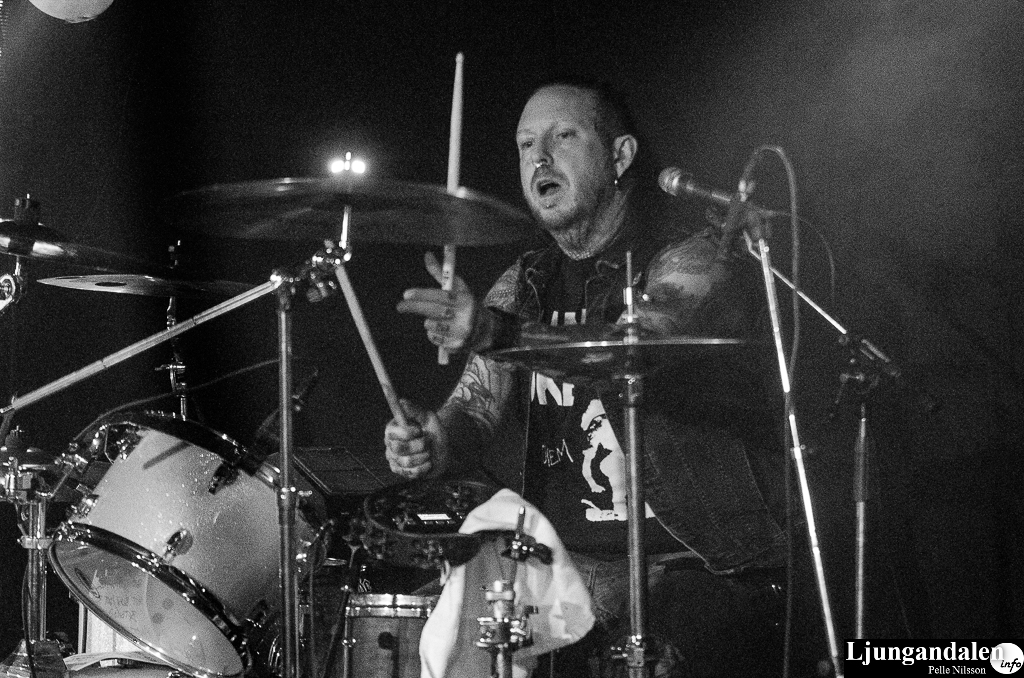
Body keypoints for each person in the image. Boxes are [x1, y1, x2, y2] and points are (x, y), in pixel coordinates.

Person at [384, 78, 789, 677]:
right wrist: (434, 440)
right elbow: (476, 408)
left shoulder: (691, 254)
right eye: (526, 145)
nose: (539, 159)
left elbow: (635, 352)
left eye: (563, 137)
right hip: (562, 567)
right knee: (449, 639)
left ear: (620, 156)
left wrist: (494, 331)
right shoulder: (525, 282)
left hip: (690, 564)